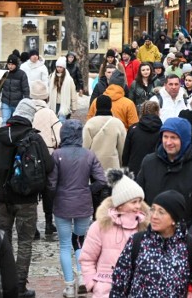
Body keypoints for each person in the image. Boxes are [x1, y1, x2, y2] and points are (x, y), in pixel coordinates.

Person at [0, 98, 54, 297]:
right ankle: (19, 286)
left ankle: (3, 284)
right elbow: (48, 166)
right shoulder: (34, 138)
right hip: (26, 199)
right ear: (30, 117)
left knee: (2, 241)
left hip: (0, 199)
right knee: (25, 243)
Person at [110, 190, 192, 297]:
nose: (154, 216)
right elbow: (119, 285)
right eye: (153, 210)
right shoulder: (137, 241)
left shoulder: (191, 245)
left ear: (174, 219)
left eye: (161, 212)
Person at [48, 119, 107, 297]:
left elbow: (51, 184)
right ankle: (82, 277)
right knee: (80, 241)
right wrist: (87, 190)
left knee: (65, 244)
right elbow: (102, 180)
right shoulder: (88, 155)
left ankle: (68, 285)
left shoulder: (57, 154)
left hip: (63, 204)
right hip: (83, 203)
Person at [136, 117, 192, 235]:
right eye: (165, 137)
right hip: (151, 237)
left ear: (184, 139)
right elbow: (138, 200)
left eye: (173, 138)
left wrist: (188, 240)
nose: (168, 142)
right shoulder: (149, 162)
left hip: (186, 237)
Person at [79, 169, 148, 298]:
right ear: (120, 204)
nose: (138, 206)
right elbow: (87, 258)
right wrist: (93, 284)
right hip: (105, 290)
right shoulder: (100, 226)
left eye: (140, 201)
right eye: (134, 202)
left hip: (137, 289)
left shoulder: (144, 227)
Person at [30, 80, 62, 239]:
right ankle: (49, 223)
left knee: (32, 191)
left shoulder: (26, 111)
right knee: (48, 190)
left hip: (28, 156)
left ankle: (33, 226)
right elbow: (58, 135)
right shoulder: (49, 113)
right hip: (48, 155)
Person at [83, 95, 127, 170]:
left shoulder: (90, 123)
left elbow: (85, 148)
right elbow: (122, 148)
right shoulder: (118, 123)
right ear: (110, 106)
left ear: (96, 106)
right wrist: (121, 164)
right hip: (113, 166)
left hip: (94, 166)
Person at [122, 100, 163, 176]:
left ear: (142, 112)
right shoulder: (163, 131)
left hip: (134, 171)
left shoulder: (133, 129)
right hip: (156, 172)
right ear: (157, 112)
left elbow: (126, 154)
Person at [0, 54, 31, 125]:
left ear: (16, 64)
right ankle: (5, 135)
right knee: (5, 121)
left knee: (16, 123)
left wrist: (26, 101)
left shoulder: (22, 74)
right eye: (9, 64)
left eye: (12, 64)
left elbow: (25, 89)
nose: (10, 66)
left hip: (17, 103)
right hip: (6, 101)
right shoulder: (4, 73)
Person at [49, 57, 78, 123]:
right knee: (53, 121)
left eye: (61, 67)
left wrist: (74, 106)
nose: (59, 68)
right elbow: (48, 91)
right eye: (57, 67)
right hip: (54, 103)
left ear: (64, 68)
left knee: (61, 121)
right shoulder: (52, 77)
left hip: (64, 104)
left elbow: (73, 92)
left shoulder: (69, 79)